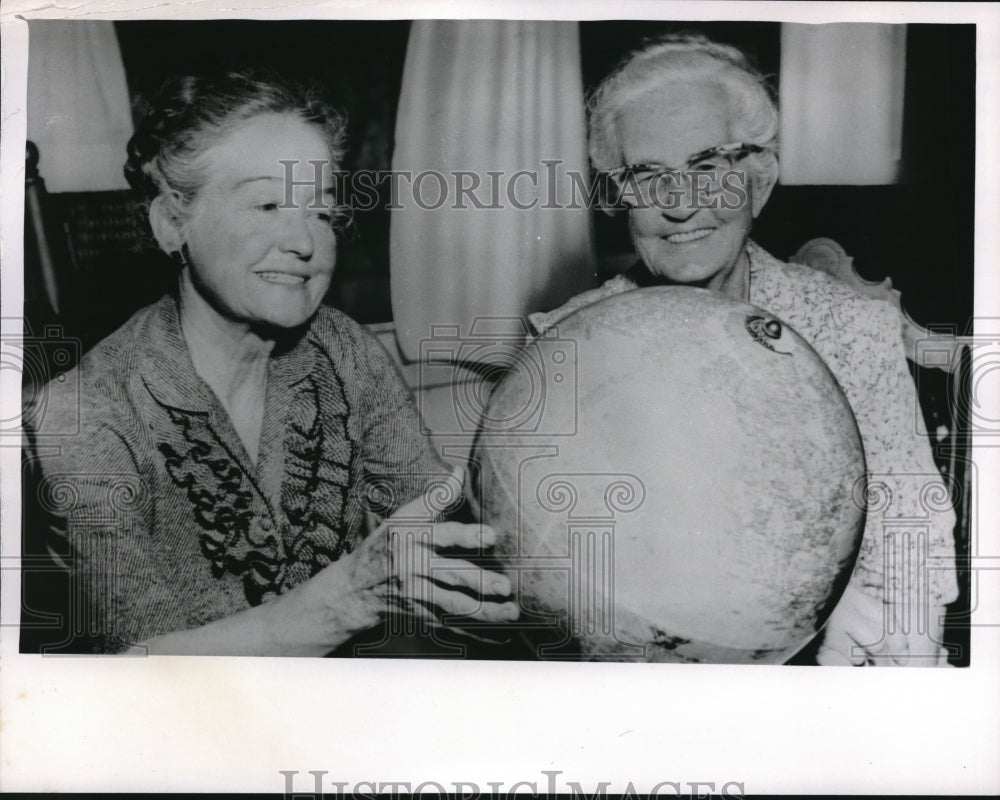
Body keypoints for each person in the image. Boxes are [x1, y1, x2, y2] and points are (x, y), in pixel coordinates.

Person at [23, 70, 518, 656]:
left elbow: (438, 534)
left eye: (321, 213)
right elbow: (141, 678)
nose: (305, 242)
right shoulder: (85, 415)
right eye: (266, 204)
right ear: (172, 224)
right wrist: (348, 599)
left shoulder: (346, 349)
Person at [528, 34, 959, 666]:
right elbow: (554, 570)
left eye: (707, 167)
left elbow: (911, 542)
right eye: (649, 175)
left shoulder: (850, 328)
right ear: (620, 195)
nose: (681, 206)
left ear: (757, 181)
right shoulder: (568, 344)